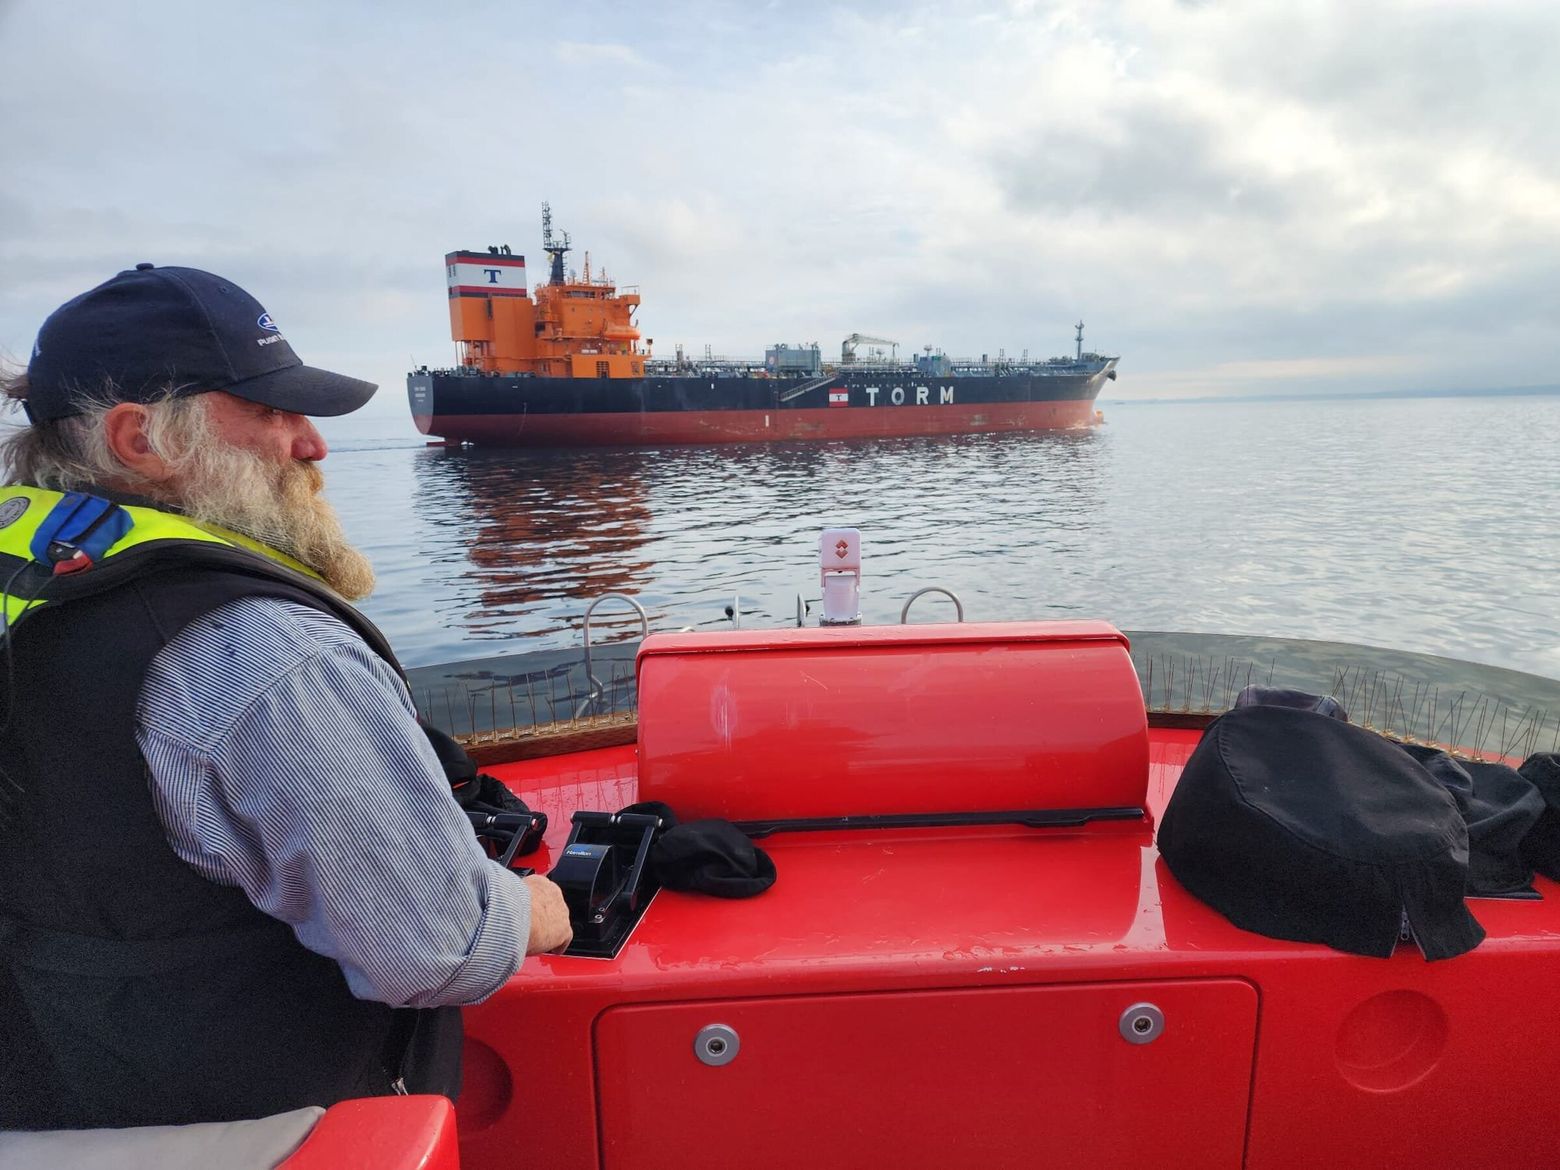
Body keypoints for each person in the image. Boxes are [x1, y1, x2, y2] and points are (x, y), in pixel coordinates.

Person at [0, 264, 572, 1131]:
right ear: (138, 439)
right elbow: (430, 950)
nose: (313, 444)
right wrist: (525, 911)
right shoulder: (267, 654)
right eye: (272, 411)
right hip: (252, 1124)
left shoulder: (29, 587)